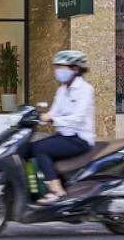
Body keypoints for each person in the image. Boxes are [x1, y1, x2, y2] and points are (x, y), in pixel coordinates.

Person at [19, 50, 95, 205]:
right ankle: (31, 189)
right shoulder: (62, 89)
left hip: (80, 139)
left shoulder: (85, 89)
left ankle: (57, 191)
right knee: (25, 149)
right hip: (64, 136)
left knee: (41, 149)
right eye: (57, 67)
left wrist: (52, 119)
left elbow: (77, 119)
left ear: (75, 69)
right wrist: (35, 118)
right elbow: (53, 112)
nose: (58, 71)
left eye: (61, 67)